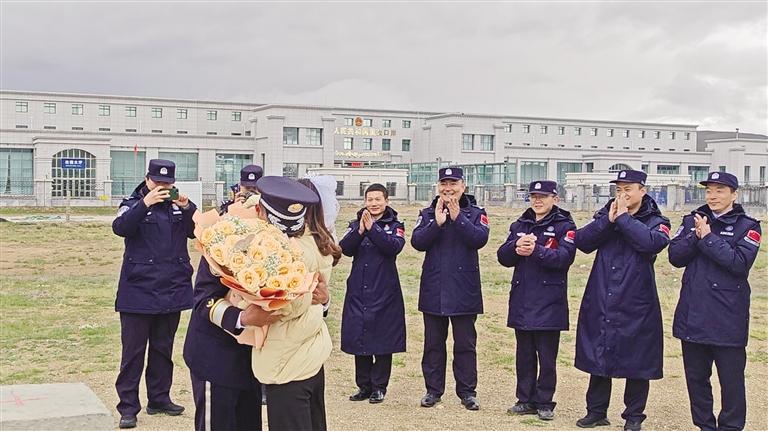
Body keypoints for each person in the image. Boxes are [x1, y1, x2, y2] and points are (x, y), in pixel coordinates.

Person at [573, 169, 671, 431]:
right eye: (618, 189)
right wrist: (608, 220)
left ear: (642, 191)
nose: (622, 194)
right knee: (599, 351)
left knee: (638, 359)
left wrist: (624, 219)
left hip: (636, 298)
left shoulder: (656, 220)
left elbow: (651, 244)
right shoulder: (606, 214)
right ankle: (596, 411)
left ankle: (634, 416)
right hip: (602, 292)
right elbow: (582, 241)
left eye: (628, 189)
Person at [669, 171, 761, 431]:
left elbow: (739, 264)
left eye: (720, 191)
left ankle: (730, 427)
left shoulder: (748, 226)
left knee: (731, 382)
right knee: (696, 380)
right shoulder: (693, 221)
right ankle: (704, 426)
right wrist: (695, 235)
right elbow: (675, 257)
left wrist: (708, 238)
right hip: (693, 314)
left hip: (727, 318)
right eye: (709, 190)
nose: (713, 196)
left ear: (734, 194)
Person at [112, 159, 197, 429]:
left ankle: (159, 398)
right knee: (133, 353)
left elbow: (196, 231)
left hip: (171, 287)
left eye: (167, 183)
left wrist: (187, 207)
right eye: (157, 182)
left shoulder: (177, 205)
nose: (162, 187)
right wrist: (144, 204)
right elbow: (121, 227)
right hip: (138, 289)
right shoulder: (132, 203)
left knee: (163, 349)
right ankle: (128, 407)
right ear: (147, 179)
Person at [249, 176, 336, 431]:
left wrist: (247, 307)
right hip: (310, 351)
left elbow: (285, 306)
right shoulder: (314, 239)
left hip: (286, 359)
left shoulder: (284, 252)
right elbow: (318, 297)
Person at [497, 180, 577, 421]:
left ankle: (545, 402)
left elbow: (564, 258)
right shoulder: (520, 224)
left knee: (547, 358)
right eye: (534, 196)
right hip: (522, 299)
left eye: (543, 196)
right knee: (524, 356)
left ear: (555, 199)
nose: (537, 200)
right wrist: (515, 246)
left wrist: (536, 251)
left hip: (550, 301)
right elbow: (503, 257)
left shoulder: (565, 226)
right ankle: (525, 400)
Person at [411, 166, 489, 411]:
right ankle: (433, 390)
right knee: (433, 344)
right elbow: (417, 242)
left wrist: (458, 218)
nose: (448, 188)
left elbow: (480, 239)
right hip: (434, 288)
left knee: (465, 345)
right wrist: (437, 223)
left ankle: (467, 392)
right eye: (444, 184)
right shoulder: (428, 213)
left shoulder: (476, 213)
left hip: (464, 289)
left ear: (463, 186)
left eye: (453, 184)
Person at [339, 183, 407, 404]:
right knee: (360, 337)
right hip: (359, 289)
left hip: (385, 290)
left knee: (384, 339)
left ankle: (379, 387)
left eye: (378, 199)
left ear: (386, 201)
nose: (374, 203)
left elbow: (393, 247)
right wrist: (360, 230)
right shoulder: (355, 224)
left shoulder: (395, 225)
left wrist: (373, 229)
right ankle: (364, 385)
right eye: (370, 199)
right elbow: (345, 249)